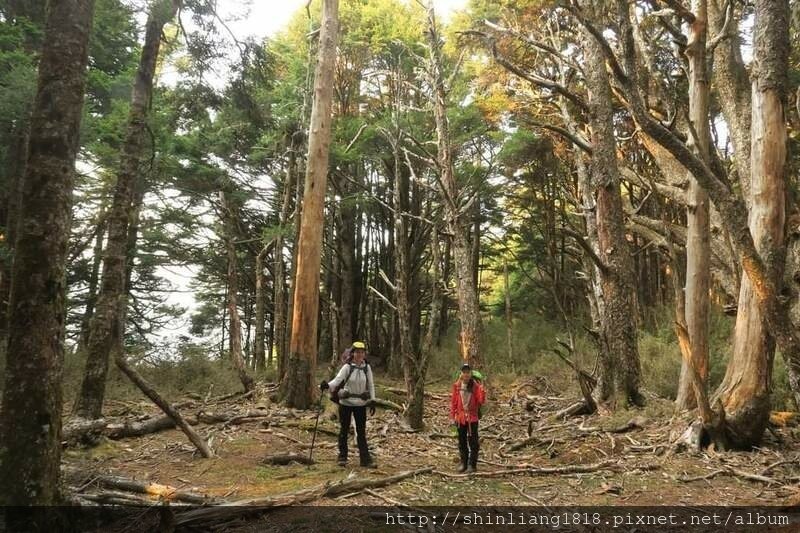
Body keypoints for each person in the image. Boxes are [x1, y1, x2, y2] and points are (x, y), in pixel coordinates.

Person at [320, 341, 377, 468]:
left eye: (362, 352)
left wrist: (372, 401)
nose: (359, 354)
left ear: (364, 354)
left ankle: (365, 460)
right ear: (353, 353)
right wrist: (325, 386)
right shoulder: (347, 367)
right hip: (346, 403)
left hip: (361, 404)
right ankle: (342, 457)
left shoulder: (367, 368)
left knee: (361, 432)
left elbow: (371, 385)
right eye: (357, 352)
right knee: (344, 430)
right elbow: (337, 380)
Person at [449, 363, 485, 473]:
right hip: (460, 418)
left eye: (468, 372)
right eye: (464, 372)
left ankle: (472, 465)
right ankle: (463, 463)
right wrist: (452, 417)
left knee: (473, 442)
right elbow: (454, 402)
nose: (466, 374)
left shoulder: (476, 386)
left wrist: (482, 391)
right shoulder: (457, 386)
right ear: (461, 373)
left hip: (472, 418)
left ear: (471, 373)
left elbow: (481, 401)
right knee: (461, 441)